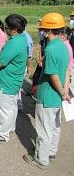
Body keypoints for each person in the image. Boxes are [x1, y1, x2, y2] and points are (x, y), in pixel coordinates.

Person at [23, 13, 70, 169]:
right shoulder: (64, 46)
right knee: (55, 125)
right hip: (57, 96)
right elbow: (66, 72)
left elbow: (54, 75)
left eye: (43, 28)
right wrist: (65, 92)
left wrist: (62, 92)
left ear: (48, 31)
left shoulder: (50, 50)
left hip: (48, 94)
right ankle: (51, 151)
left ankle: (41, 159)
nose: (42, 31)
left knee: (44, 129)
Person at [0, 14, 28, 143]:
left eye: (7, 27)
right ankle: (10, 128)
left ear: (14, 29)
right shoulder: (22, 38)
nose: (6, 29)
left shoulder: (14, 43)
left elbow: (1, 63)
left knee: (4, 109)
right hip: (14, 80)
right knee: (12, 107)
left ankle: (2, 135)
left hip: (6, 81)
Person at [17, 30, 34, 111]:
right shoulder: (21, 36)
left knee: (17, 86)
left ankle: (19, 105)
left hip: (21, 65)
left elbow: (29, 55)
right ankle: (18, 105)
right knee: (17, 86)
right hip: (20, 65)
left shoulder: (25, 37)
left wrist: (29, 66)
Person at [61, 27, 73, 97]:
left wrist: (65, 92)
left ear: (64, 36)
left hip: (64, 74)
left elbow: (67, 72)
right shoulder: (64, 45)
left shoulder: (66, 48)